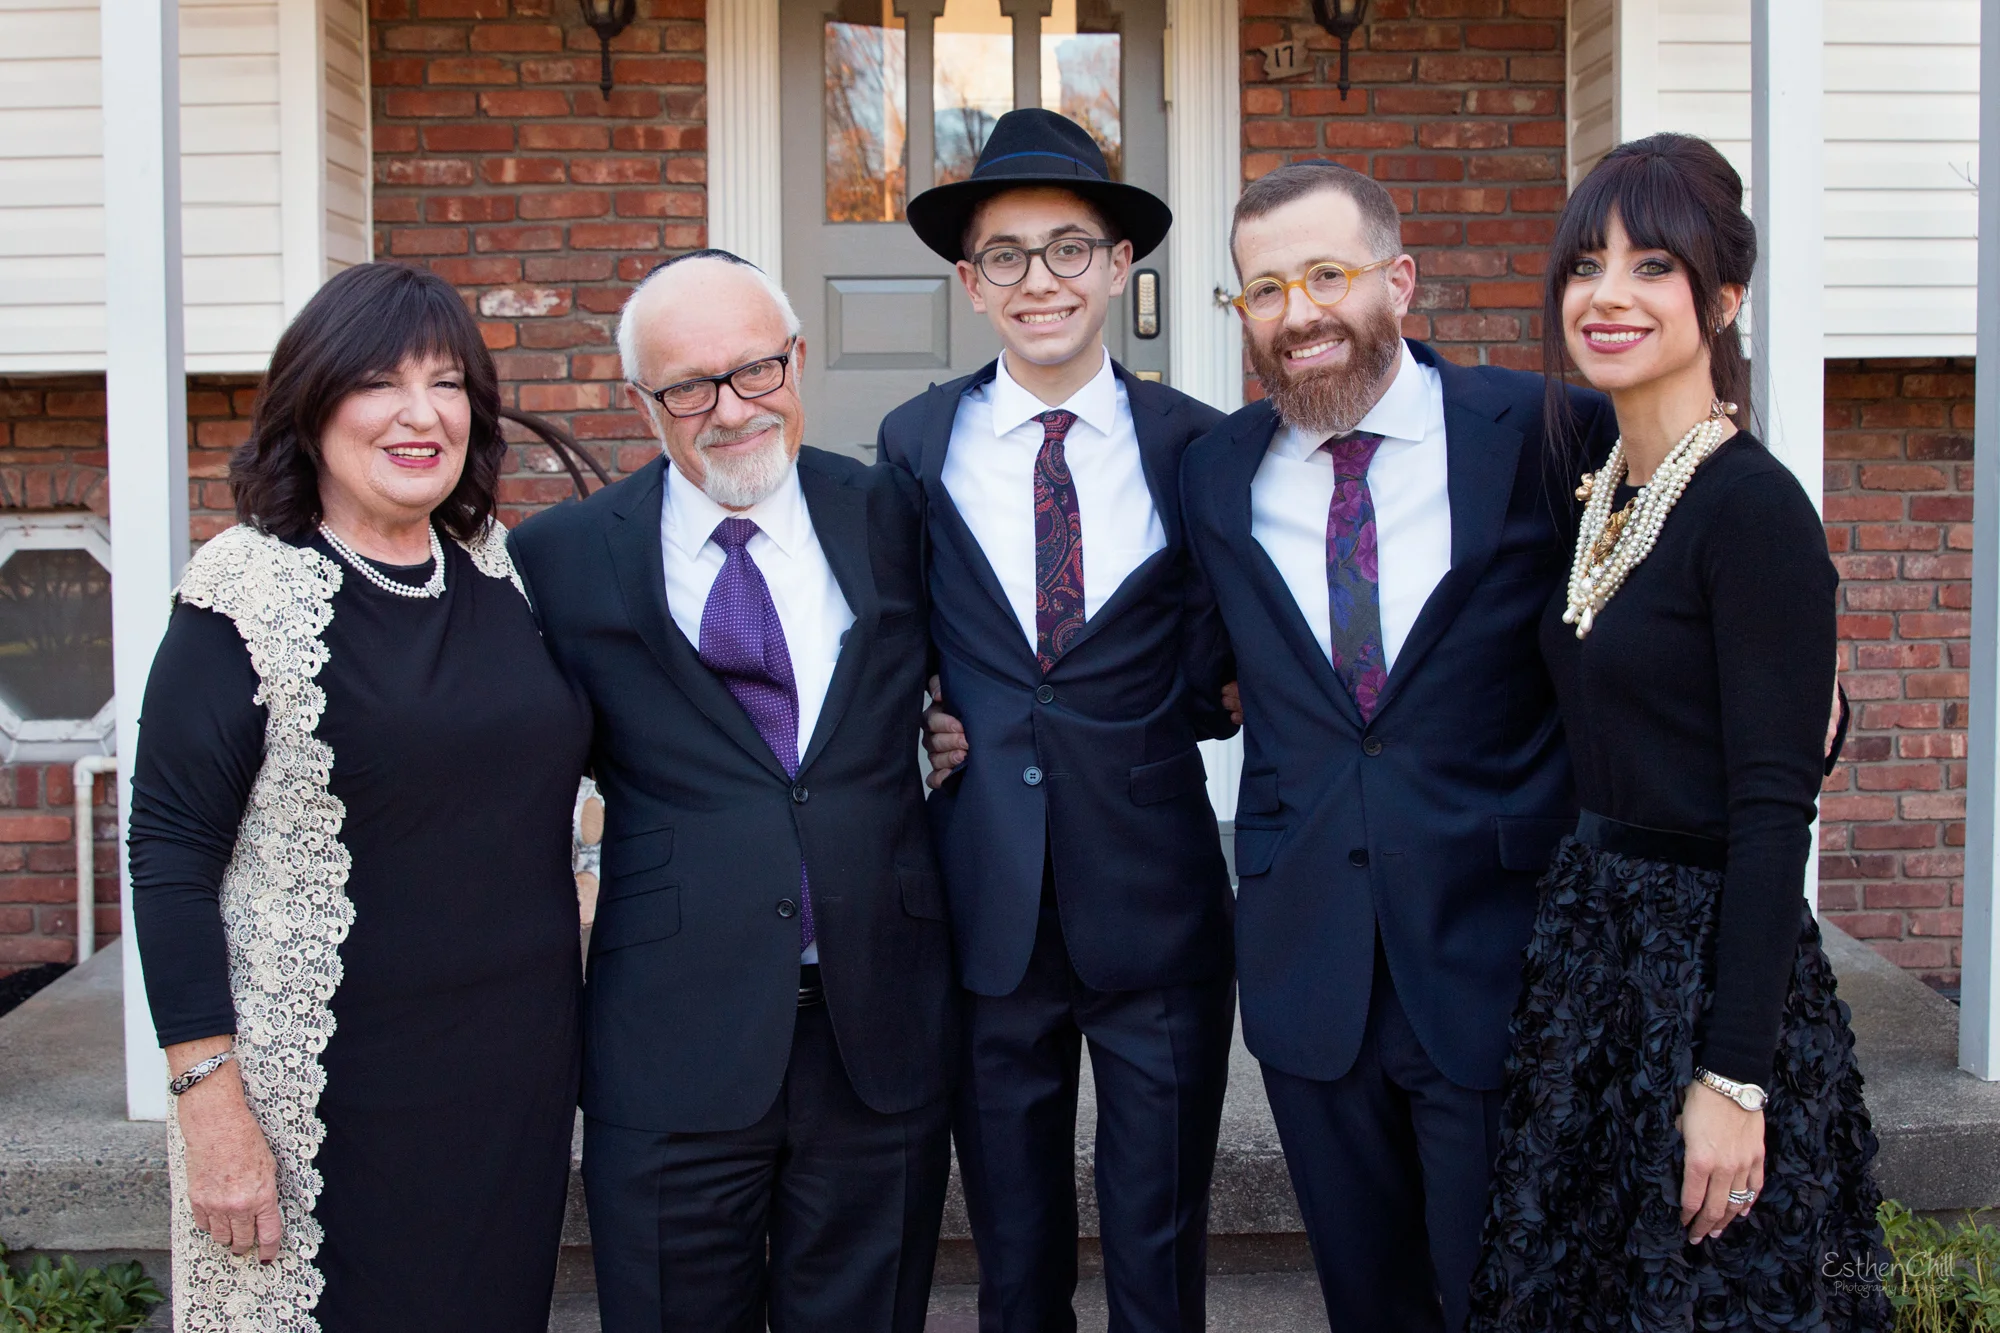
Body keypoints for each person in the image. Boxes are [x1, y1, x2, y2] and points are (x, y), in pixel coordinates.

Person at [1177, 160, 1620, 1332]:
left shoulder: (1544, 431)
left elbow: (1669, 585)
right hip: (1307, 963)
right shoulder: (1216, 472)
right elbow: (1182, 667)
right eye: (1263, 290)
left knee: (1511, 1297)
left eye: (1326, 275)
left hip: (1495, 950)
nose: (1297, 313)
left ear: (1399, 280)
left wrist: (1797, 680)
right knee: (1365, 1303)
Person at [1468, 133, 1889, 1332]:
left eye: (1651, 265)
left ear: (1722, 297)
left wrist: (1731, 1077)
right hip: (1592, 968)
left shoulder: (1751, 509)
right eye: (1584, 264)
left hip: (1706, 980)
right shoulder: (1597, 484)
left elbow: (1772, 814)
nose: (1606, 294)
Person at [128, 262, 590, 1331]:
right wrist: (209, 1103)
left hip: (509, 1079)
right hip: (321, 1099)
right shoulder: (242, 593)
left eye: (447, 382)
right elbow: (169, 854)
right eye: (381, 381)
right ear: (313, 403)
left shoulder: (503, 572)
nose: (421, 414)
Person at [507, 250, 954, 1333]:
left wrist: (963, 733)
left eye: (755, 370)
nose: (732, 409)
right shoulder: (560, 557)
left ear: (795, 360)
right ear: (642, 403)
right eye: (690, 388)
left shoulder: (895, 513)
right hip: (669, 1037)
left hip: (877, 1026)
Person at [882, 106, 1238, 1333]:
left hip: (1156, 895)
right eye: (1005, 255)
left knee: (1158, 1237)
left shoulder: (1197, 446)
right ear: (970, 284)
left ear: (1119, 264)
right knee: (1013, 1247)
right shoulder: (916, 441)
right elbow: (894, 630)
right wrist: (920, 717)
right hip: (985, 894)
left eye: (1068, 248)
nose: (1039, 280)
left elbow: (1222, 646)